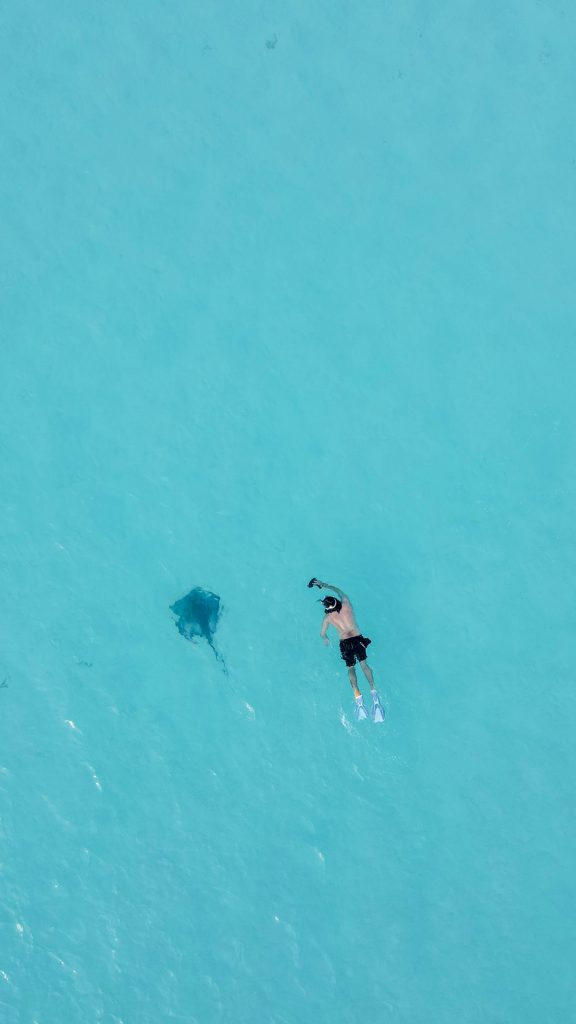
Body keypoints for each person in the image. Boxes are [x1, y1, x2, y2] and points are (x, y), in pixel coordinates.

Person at [308, 578, 384, 721]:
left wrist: (325, 638)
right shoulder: (347, 604)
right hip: (357, 639)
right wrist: (324, 585)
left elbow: (322, 633)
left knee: (351, 669)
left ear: (327, 608)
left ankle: (358, 700)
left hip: (345, 644)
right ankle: (374, 693)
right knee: (364, 665)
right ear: (337, 601)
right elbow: (338, 590)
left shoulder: (328, 618)